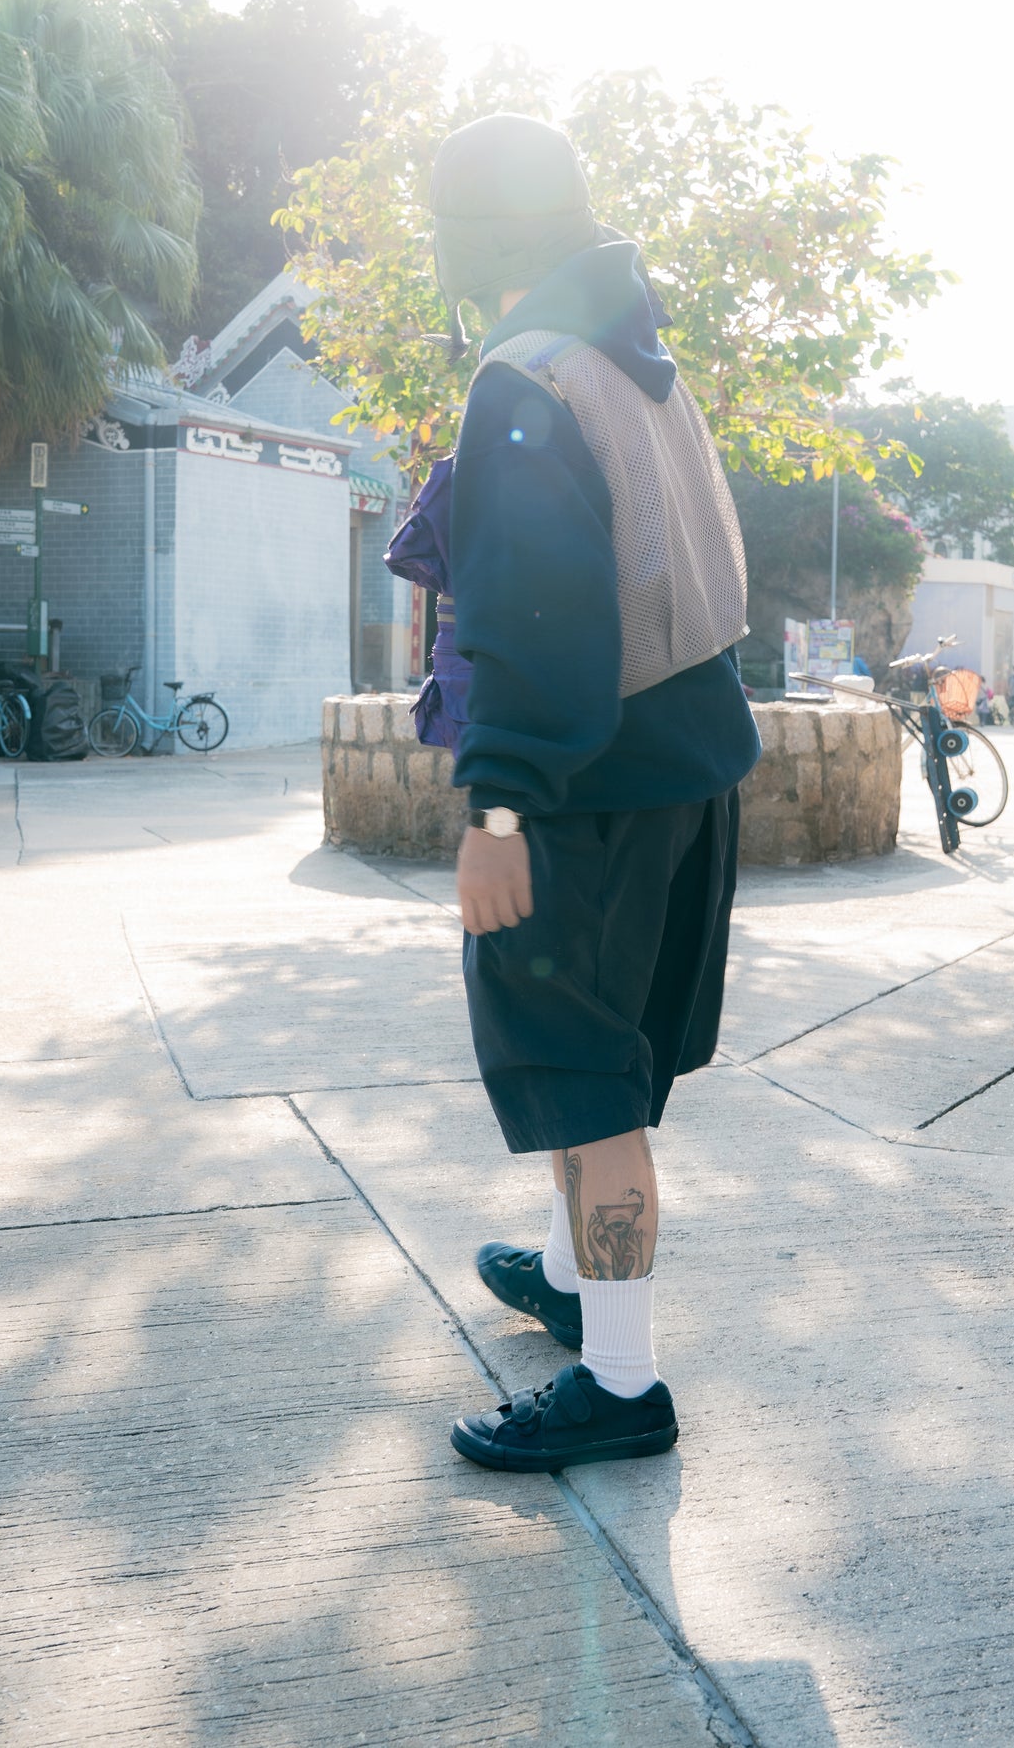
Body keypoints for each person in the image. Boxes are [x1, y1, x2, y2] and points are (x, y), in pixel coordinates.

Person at [409, 113, 760, 1475]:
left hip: (584, 785)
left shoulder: (526, 373)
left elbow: (535, 613)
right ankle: (570, 1278)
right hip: (685, 761)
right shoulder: (636, 355)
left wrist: (495, 803)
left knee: (582, 1077)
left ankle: (621, 1378)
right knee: (602, 1062)